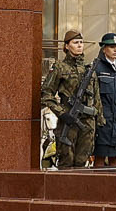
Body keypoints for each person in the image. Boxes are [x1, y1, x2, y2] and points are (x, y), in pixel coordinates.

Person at [40, 30, 98, 169]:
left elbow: (97, 97)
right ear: (67, 46)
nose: (79, 45)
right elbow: (46, 94)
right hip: (68, 121)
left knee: (82, 162)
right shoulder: (60, 67)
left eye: (81, 42)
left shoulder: (88, 69)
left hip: (87, 124)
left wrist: (99, 119)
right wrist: (62, 113)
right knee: (66, 161)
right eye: (75, 42)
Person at [92, 33, 116, 166]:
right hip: (103, 124)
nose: (115, 50)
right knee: (99, 161)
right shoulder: (96, 68)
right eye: (111, 47)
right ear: (104, 49)